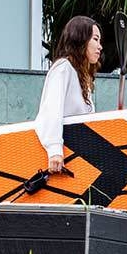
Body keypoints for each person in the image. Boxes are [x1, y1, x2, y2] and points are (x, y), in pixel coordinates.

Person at [36, 15, 101, 178]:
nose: (100, 46)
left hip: (77, 152)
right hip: (63, 155)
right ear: (80, 39)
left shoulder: (81, 76)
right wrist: (54, 150)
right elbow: (51, 110)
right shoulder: (64, 68)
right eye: (95, 39)